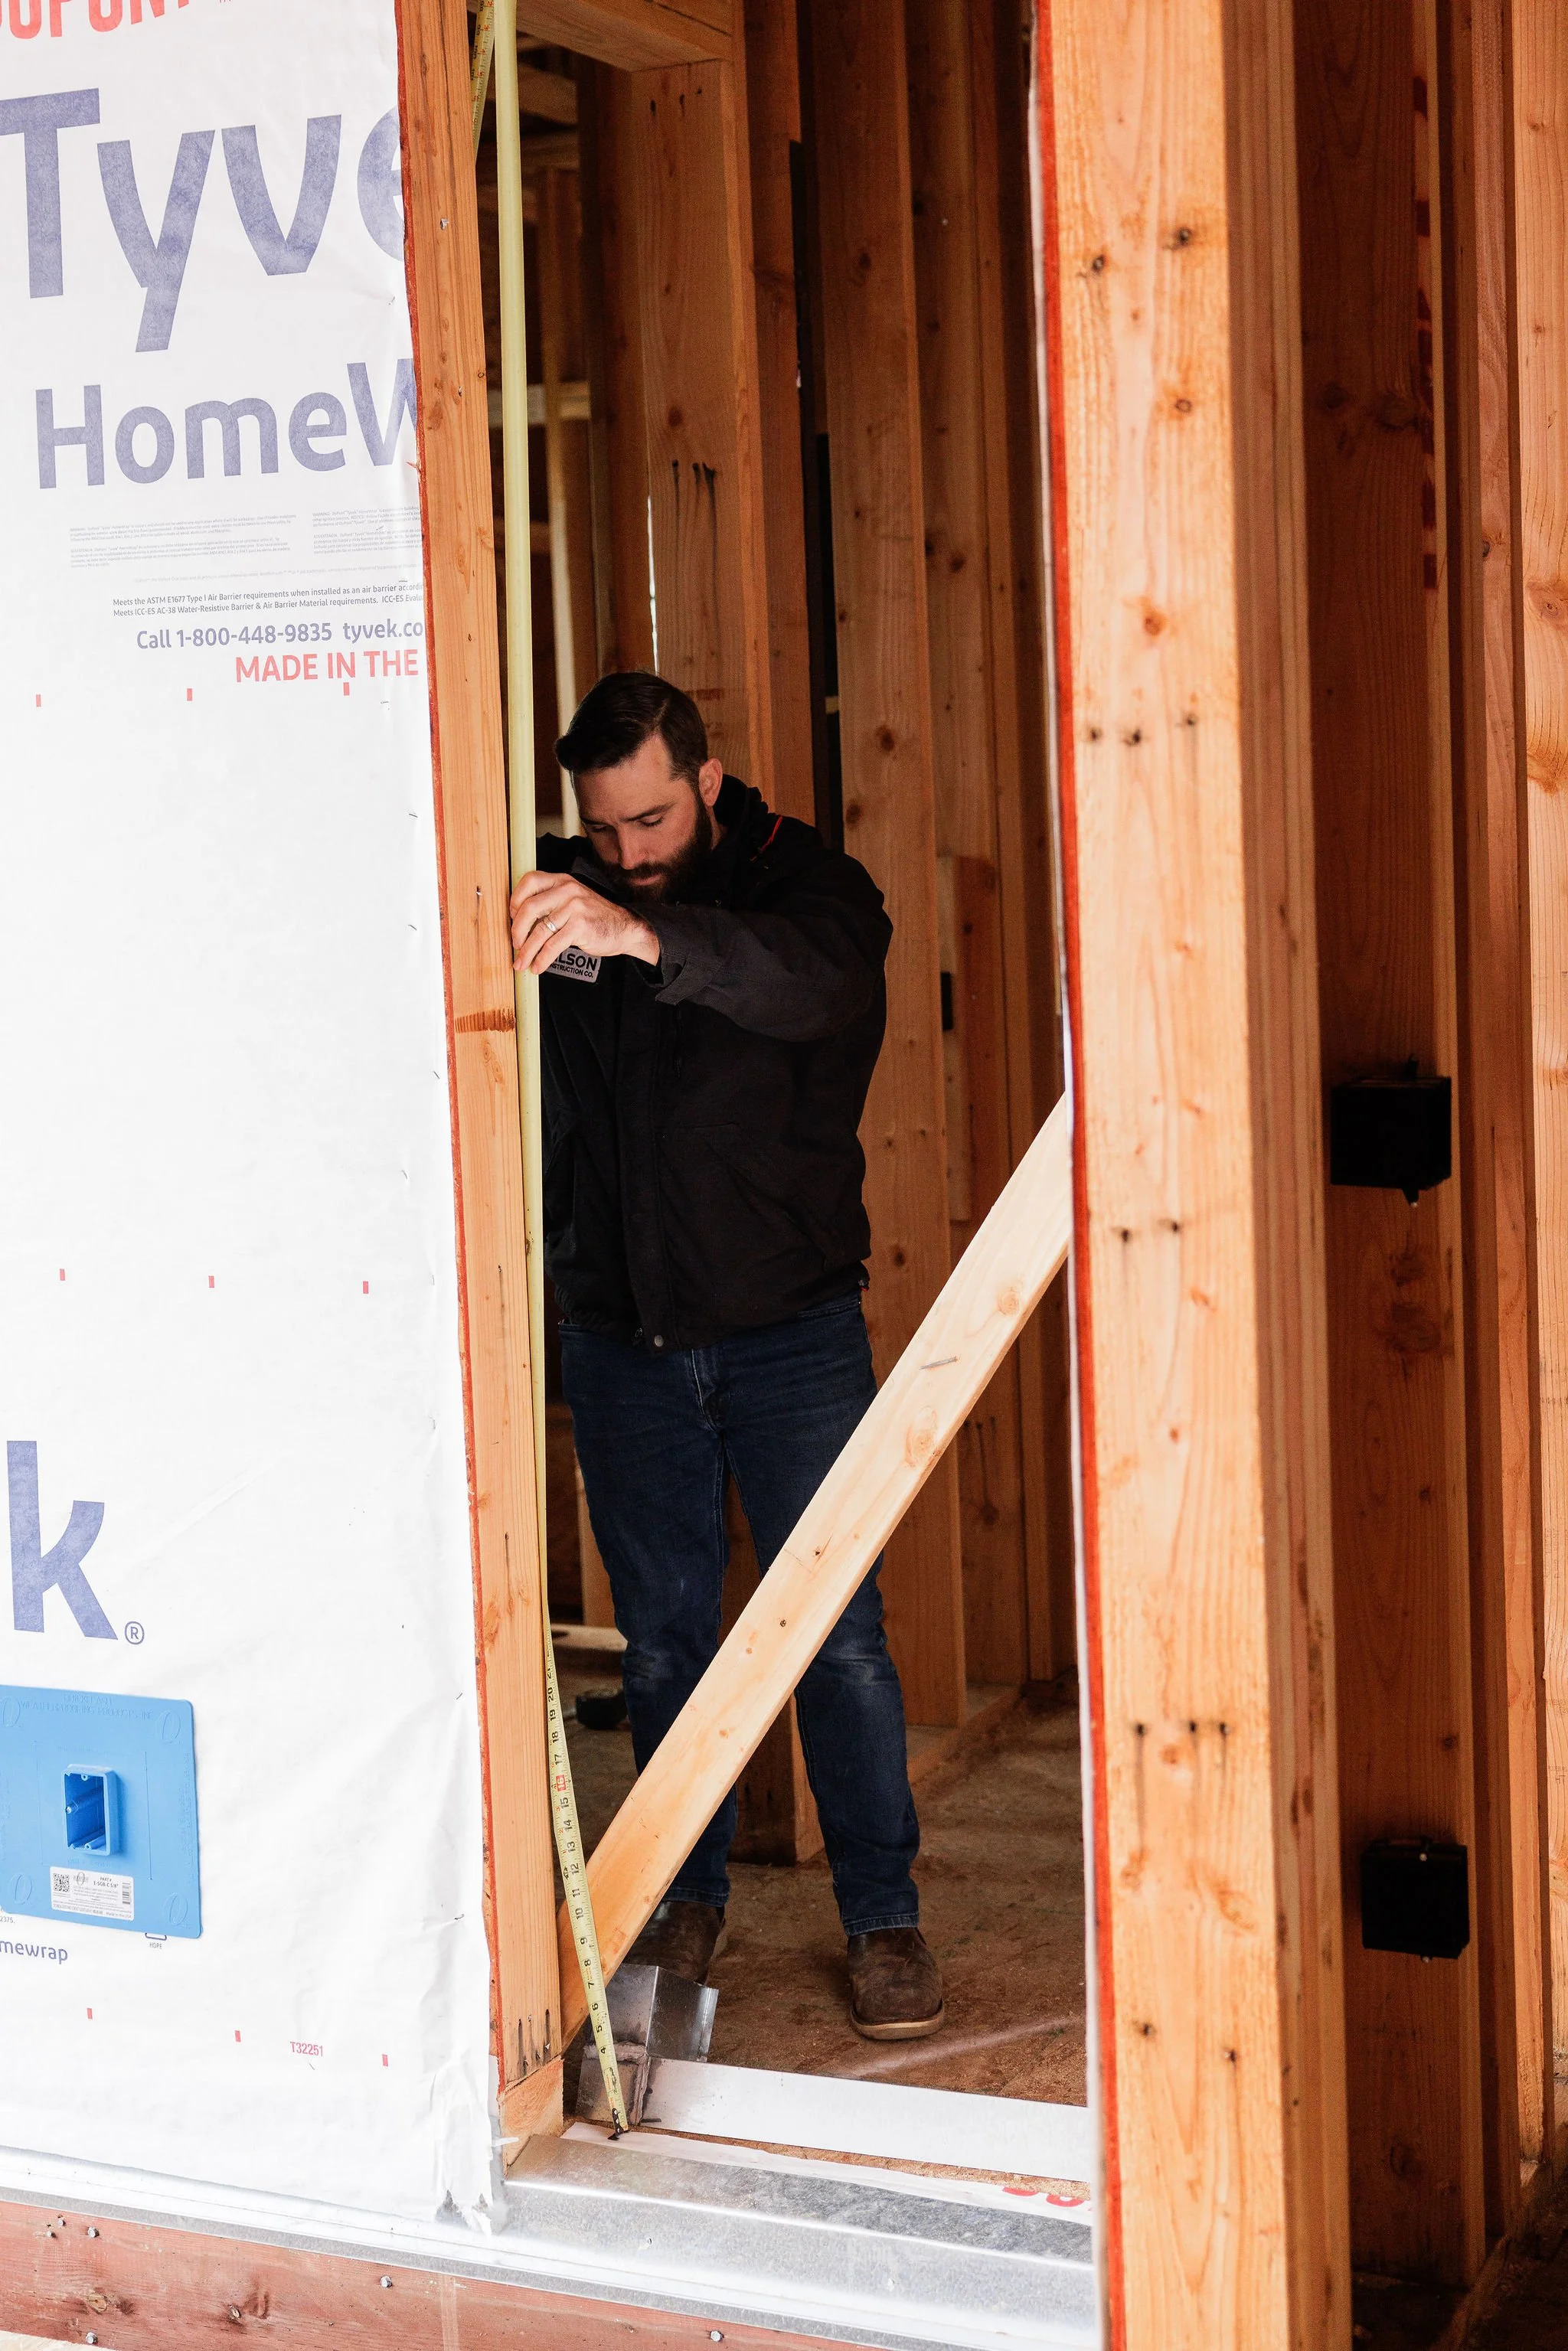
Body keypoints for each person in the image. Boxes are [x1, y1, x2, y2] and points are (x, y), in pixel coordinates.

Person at [509, 670, 943, 2042]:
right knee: (663, 1648)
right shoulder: (565, 890)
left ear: (704, 779)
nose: (626, 853)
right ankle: (681, 1892)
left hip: (793, 1333)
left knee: (841, 1643)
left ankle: (885, 1918)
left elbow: (814, 986)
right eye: (603, 831)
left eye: (648, 820)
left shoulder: (805, 887)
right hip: (626, 1339)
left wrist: (636, 933)